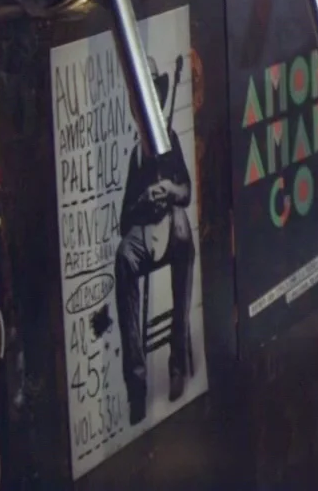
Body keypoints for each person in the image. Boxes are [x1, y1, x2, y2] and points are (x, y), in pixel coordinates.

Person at [114, 55, 196, 424]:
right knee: (123, 257)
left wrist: (170, 191)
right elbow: (122, 221)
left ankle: (177, 360)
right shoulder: (135, 155)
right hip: (145, 238)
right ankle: (136, 383)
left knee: (184, 235)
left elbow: (187, 191)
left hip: (170, 231)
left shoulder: (171, 140)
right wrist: (142, 202)